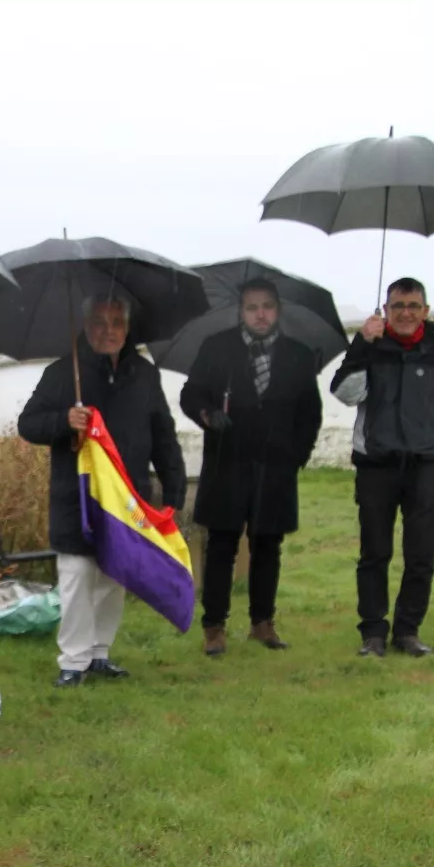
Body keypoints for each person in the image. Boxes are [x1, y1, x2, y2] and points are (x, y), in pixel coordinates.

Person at [18, 295, 186, 686]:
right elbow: (28, 424)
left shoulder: (144, 374)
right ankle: (72, 662)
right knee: (77, 575)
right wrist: (64, 420)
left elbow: (163, 435)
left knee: (115, 576)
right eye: (99, 321)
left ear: (127, 328)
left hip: (128, 497)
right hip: (75, 497)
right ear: (85, 324)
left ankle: (98, 653)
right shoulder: (64, 372)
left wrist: (173, 492)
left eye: (116, 322)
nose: (108, 330)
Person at [179, 279, 323, 655]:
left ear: (278, 310)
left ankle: (262, 623)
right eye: (252, 307)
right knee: (222, 545)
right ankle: (214, 627)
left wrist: (297, 456)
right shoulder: (217, 348)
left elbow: (311, 413)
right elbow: (190, 394)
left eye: (267, 306)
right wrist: (208, 415)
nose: (260, 314)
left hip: (275, 467)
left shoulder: (299, 355)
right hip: (228, 461)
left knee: (268, 545)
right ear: (240, 312)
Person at [330, 277, 434, 657]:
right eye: (398, 306)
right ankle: (373, 632)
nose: (405, 313)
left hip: (426, 466)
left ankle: (408, 631)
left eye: (413, 306)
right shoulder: (371, 347)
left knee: (422, 554)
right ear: (386, 310)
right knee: (375, 553)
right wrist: (362, 344)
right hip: (377, 465)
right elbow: (344, 393)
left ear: (425, 311)